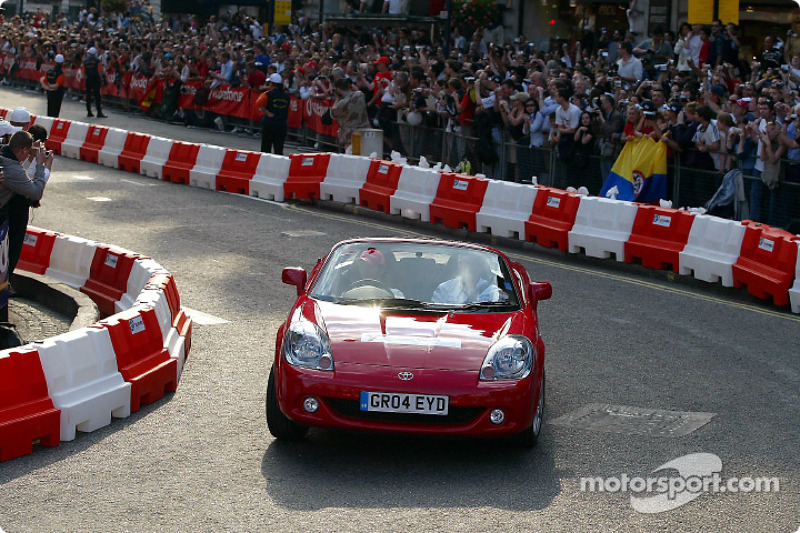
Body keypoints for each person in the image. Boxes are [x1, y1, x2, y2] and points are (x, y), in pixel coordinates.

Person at [8, 124, 53, 281]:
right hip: (14, 209)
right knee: (12, 248)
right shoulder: (14, 161)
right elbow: (33, 189)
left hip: (18, 205)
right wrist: (44, 166)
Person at [432, 253, 503, 304]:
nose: (467, 268)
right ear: (458, 266)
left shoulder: (492, 292)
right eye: (462, 263)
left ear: (480, 268)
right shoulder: (445, 288)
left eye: (470, 263)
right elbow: (438, 314)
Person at [330, 77, 369, 153]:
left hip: (350, 137)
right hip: (365, 133)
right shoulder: (360, 95)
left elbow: (333, 114)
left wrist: (337, 98)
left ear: (338, 89)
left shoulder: (341, 104)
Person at [256, 73, 290, 154]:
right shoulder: (287, 96)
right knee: (279, 148)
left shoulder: (267, 94)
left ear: (272, 84)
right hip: (281, 124)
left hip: (269, 123)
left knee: (266, 147)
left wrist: (267, 112)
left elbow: (258, 103)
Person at [83, 47, 106, 118]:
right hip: (96, 79)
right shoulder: (97, 61)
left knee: (88, 95)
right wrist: (101, 79)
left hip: (88, 79)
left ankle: (89, 112)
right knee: (97, 96)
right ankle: (99, 112)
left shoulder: (85, 61)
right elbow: (99, 71)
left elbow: (83, 72)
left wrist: (85, 79)